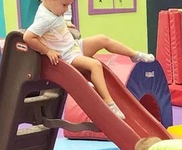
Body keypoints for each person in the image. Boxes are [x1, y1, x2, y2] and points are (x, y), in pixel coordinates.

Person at [23, 0, 155, 120]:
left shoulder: (51, 9)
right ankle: (109, 102)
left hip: (74, 46)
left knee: (102, 39)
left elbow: (52, 28)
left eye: (69, 6)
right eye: (64, 5)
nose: (66, 9)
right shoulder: (45, 19)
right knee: (95, 65)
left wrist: (66, 25)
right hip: (67, 56)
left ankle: (134, 55)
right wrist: (48, 51)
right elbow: (28, 37)